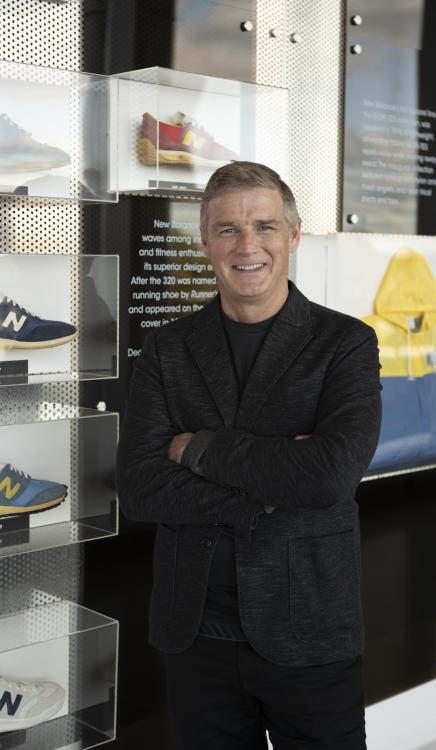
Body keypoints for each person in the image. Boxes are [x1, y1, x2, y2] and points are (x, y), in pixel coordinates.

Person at [116, 161, 382, 750]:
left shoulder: (345, 344)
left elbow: (330, 477)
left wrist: (196, 447)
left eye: (264, 226)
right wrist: (279, 479)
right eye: (228, 229)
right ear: (205, 241)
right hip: (195, 635)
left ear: (293, 235)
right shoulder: (167, 348)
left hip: (310, 628)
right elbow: (139, 488)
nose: (247, 245)